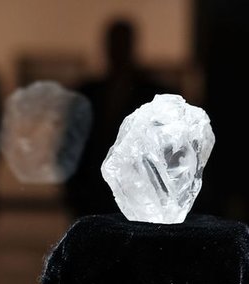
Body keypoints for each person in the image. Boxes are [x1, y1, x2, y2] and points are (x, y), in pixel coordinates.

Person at [66, 20, 175, 217]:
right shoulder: (88, 93)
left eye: (122, 44)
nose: (117, 50)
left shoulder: (151, 94)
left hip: (137, 198)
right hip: (92, 196)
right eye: (115, 44)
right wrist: (74, 193)